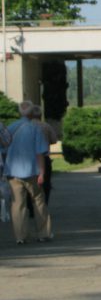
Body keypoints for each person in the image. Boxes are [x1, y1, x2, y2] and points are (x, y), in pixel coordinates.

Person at [6, 100, 53, 244]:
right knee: (38, 201)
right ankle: (43, 233)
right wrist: (42, 172)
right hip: (32, 171)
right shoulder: (35, 129)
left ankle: (20, 236)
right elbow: (40, 153)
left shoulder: (11, 128)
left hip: (13, 171)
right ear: (32, 113)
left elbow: (4, 149)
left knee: (17, 205)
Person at [28, 104, 57, 204]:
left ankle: (30, 205)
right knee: (45, 182)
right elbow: (54, 140)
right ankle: (44, 203)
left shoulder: (26, 126)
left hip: (29, 158)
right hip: (44, 158)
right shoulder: (46, 126)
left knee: (28, 182)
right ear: (40, 115)